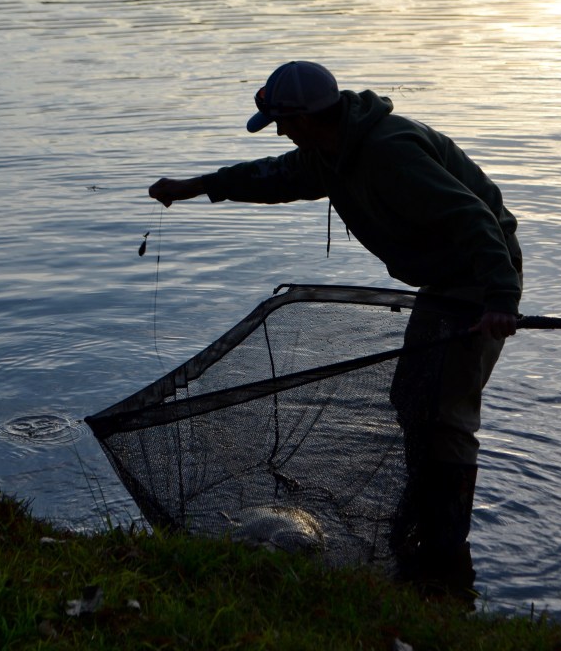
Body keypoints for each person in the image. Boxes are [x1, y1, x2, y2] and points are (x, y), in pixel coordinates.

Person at [149, 61, 523, 598]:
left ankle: (443, 553)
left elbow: (474, 219)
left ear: (305, 117)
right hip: (446, 281)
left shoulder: (389, 151)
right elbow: (274, 176)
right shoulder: (331, 151)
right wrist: (198, 187)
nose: (281, 133)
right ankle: (420, 519)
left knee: (447, 413)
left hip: (481, 277)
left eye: (282, 122)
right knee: (412, 399)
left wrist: (501, 299)